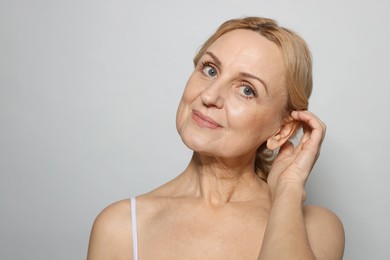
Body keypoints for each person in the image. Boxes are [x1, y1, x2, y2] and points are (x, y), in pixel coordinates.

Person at [87, 17, 345, 259]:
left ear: (281, 131)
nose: (210, 96)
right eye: (210, 70)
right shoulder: (120, 227)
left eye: (246, 90)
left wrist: (288, 189)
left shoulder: (315, 228)